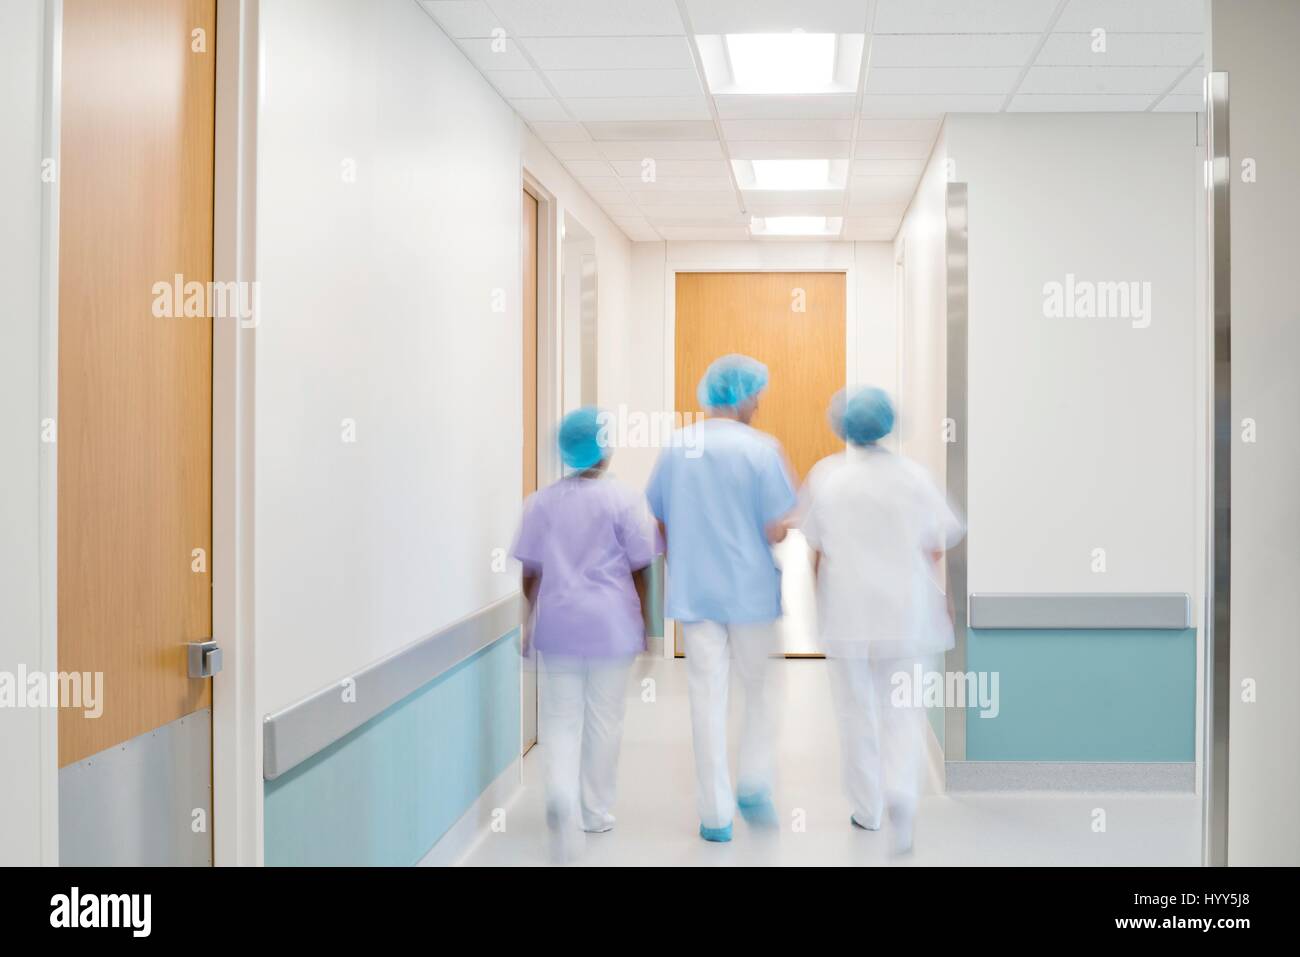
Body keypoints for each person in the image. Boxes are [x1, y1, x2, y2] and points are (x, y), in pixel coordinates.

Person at [801, 387, 964, 855]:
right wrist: (944, 601)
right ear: (890, 425)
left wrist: (822, 603)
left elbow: (818, 552)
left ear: (844, 427)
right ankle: (903, 800)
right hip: (909, 613)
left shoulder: (828, 476)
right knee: (904, 714)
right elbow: (934, 549)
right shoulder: (915, 477)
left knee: (856, 713)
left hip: (849, 616)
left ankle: (866, 809)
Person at [646, 354, 797, 843]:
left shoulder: (677, 447)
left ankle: (715, 815)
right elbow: (775, 527)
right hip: (750, 593)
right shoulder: (762, 449)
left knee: (705, 699)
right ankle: (753, 780)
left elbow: (661, 522)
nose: (760, 402)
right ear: (746, 396)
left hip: (695, 593)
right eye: (757, 394)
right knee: (759, 691)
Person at [512, 406, 657, 862]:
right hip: (610, 628)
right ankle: (595, 812)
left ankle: (559, 796)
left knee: (560, 719)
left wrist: (528, 619)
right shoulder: (625, 500)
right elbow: (641, 568)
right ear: (605, 450)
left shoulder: (541, 502)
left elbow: (530, 574)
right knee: (604, 721)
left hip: (558, 627)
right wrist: (647, 625)